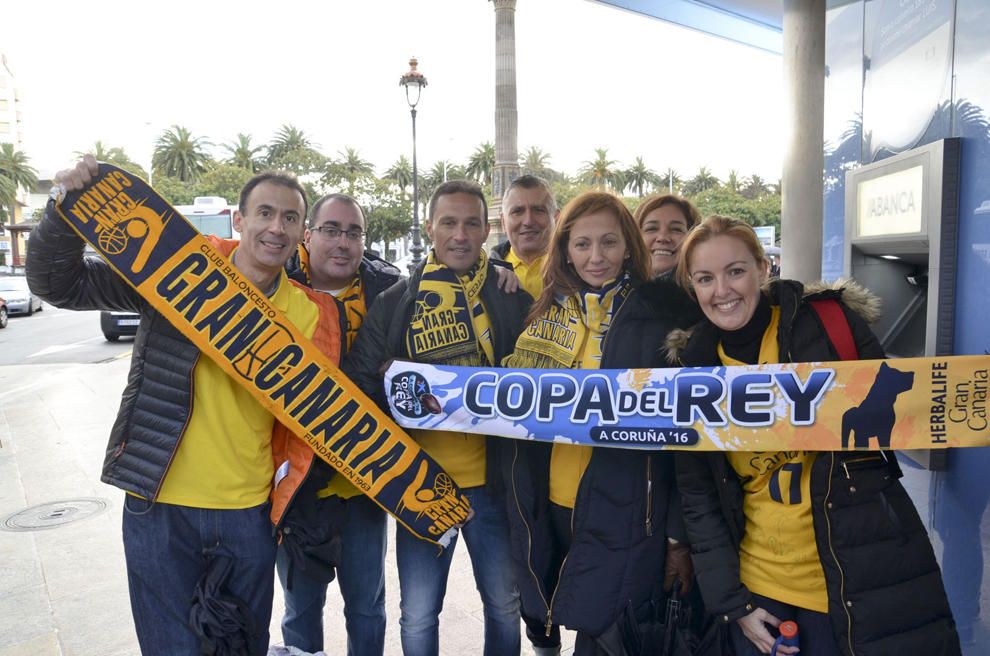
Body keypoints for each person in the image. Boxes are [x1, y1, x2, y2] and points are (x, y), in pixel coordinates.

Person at [26, 155, 343, 655]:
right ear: (240, 221)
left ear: (303, 231)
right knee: (169, 648)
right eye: (264, 213)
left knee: (241, 647)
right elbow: (60, 284)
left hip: (248, 512)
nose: (275, 227)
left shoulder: (313, 313)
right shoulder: (175, 273)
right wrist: (63, 210)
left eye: (289, 218)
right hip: (160, 506)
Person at [667, 215, 961, 656]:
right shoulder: (691, 369)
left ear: (764, 268)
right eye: (705, 278)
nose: (722, 291)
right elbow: (699, 498)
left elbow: (897, 411)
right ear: (693, 288)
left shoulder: (827, 324)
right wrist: (734, 604)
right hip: (761, 589)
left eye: (736, 271)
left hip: (858, 572)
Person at [502, 191, 699, 655]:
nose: (596, 257)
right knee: (549, 611)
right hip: (553, 501)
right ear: (565, 249)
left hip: (630, 509)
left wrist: (677, 535)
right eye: (583, 244)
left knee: (608, 634)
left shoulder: (663, 313)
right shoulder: (545, 311)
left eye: (609, 242)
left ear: (629, 246)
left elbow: (687, 431)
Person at [344, 180, 531, 656]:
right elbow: (360, 385)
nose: (461, 235)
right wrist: (394, 388)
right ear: (430, 228)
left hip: (494, 485)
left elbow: (540, 378)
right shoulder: (396, 302)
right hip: (422, 487)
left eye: (471, 223)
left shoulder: (510, 294)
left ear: (487, 230)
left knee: (505, 605)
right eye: (449, 222)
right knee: (419, 614)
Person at [275, 193, 402, 655]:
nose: (343, 241)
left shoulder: (390, 290)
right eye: (331, 229)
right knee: (300, 607)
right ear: (307, 236)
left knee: (367, 606)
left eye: (353, 232)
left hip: (365, 485)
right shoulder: (273, 283)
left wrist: (501, 272)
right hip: (297, 486)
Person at [491, 174, 559, 299]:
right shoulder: (485, 278)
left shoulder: (578, 273)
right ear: (503, 222)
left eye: (538, 210)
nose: (528, 221)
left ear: (556, 218)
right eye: (517, 211)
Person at [634, 193, 701, 279]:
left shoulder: (712, 291)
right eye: (651, 228)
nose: (663, 238)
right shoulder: (614, 290)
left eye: (676, 229)